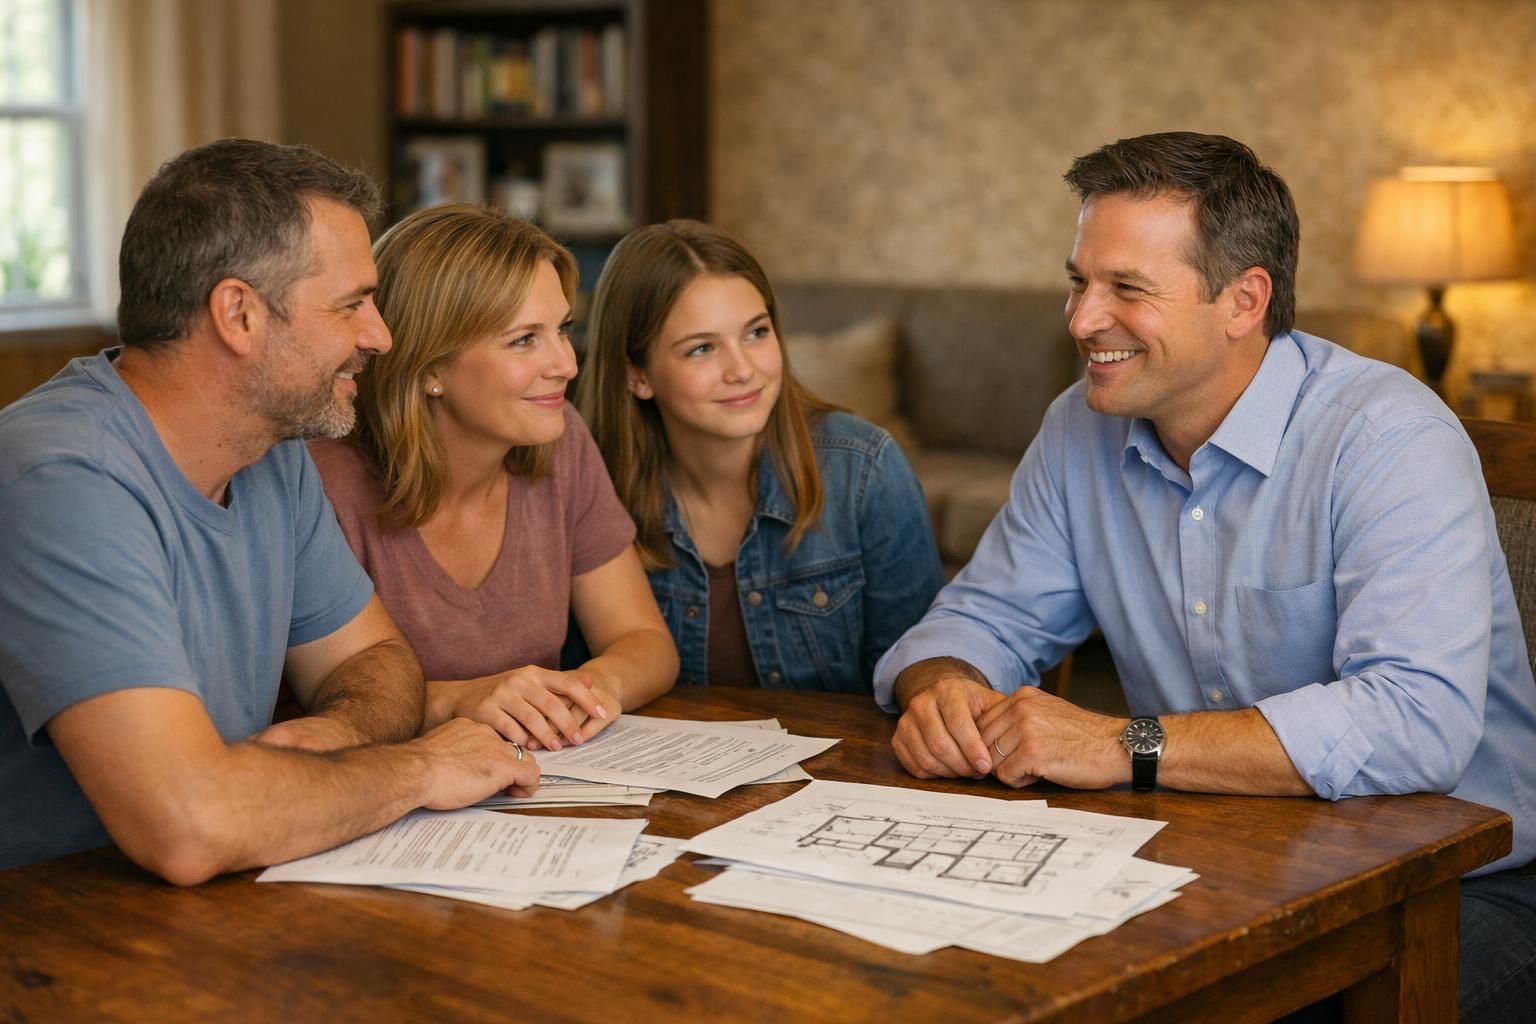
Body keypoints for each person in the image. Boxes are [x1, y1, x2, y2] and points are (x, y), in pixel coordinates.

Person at [874, 131, 1536, 1021]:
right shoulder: (1077, 429)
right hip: (1217, 862)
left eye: (1127, 290)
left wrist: (1118, 744)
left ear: (1243, 300)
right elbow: (980, 617)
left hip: (1464, 886)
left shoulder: (1389, 439)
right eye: (1079, 281)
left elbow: (1418, 720)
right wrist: (944, 686)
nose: (1079, 321)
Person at [0, 139, 539, 883]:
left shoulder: (271, 450)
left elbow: (377, 663)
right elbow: (188, 826)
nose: (379, 336)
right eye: (352, 304)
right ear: (239, 315)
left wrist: (336, 735)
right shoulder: (62, 476)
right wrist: (416, 770)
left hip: (218, 897)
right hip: (56, 925)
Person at [309, 204, 676, 751]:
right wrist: (457, 701)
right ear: (430, 366)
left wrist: (580, 692)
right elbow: (304, 707)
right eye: (524, 339)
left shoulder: (560, 439)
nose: (568, 364)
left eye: (563, 329)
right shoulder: (321, 480)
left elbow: (643, 640)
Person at [577, 220, 943, 693]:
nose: (743, 370)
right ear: (637, 376)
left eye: (756, 333)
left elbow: (919, 677)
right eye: (703, 348)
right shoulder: (590, 488)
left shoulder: (864, 469)